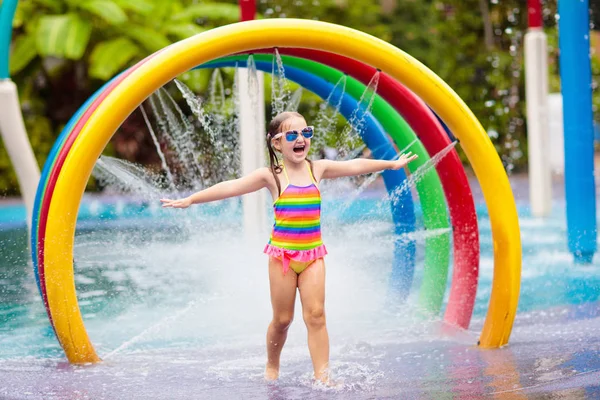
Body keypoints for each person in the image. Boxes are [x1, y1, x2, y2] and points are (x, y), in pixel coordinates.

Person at [160, 111, 418, 383]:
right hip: (282, 258)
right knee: (282, 320)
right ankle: (272, 364)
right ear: (276, 143)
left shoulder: (317, 169)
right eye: (292, 134)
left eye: (306, 133)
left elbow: (354, 165)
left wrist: (389, 165)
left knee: (316, 315)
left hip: (313, 256)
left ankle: (323, 376)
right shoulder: (271, 175)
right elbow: (231, 187)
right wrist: (192, 199)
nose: (300, 139)